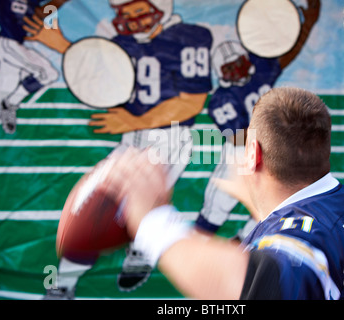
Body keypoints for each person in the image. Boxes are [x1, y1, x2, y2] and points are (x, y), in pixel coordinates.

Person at [101, 87, 344, 299]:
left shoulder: (300, 238)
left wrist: (152, 221)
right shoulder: (342, 198)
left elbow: (266, 280)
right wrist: (258, 202)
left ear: (253, 154)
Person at [23, 0, 212, 297]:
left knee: (100, 209)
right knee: (109, 210)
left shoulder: (189, 36)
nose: (133, 20)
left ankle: (67, 283)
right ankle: (76, 278)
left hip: (168, 139)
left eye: (139, 10)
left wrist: (134, 119)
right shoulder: (123, 42)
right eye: (126, 13)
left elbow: (192, 101)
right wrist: (60, 44)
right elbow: (98, 69)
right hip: (133, 140)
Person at [196, 0, 321, 241]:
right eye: (229, 69)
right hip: (241, 154)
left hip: (267, 152)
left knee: (275, 202)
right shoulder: (220, 100)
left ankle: (242, 243)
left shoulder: (261, 70)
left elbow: (288, 53)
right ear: (221, 73)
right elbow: (237, 136)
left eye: (238, 64)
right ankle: (198, 249)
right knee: (216, 208)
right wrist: (276, 134)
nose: (237, 72)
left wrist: (307, 26)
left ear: (246, 60)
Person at [0, 0, 68, 171]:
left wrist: (54, 8)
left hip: (14, 46)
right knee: (49, 73)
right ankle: (12, 102)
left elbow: (46, 10)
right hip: (9, 44)